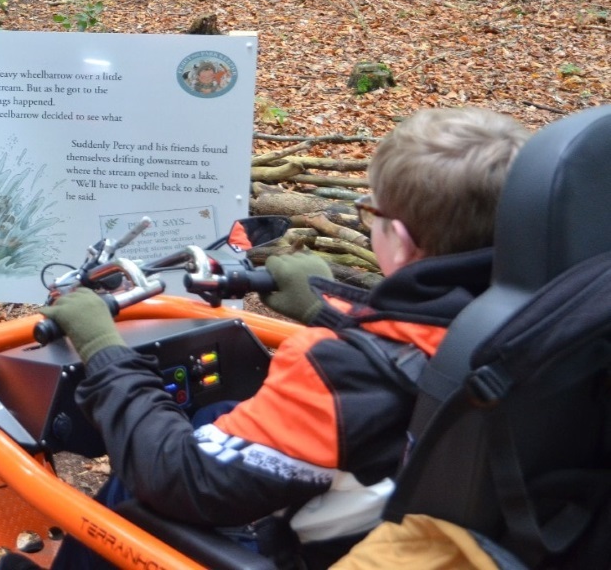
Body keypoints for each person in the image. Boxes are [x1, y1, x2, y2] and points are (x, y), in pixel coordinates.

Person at [41, 107, 530, 569]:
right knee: (213, 413)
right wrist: (329, 308)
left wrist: (103, 348)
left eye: (369, 213)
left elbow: (178, 476)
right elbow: (416, 364)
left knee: (132, 490)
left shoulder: (332, 369)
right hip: (454, 520)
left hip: (326, 553)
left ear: (398, 239)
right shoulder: (540, 318)